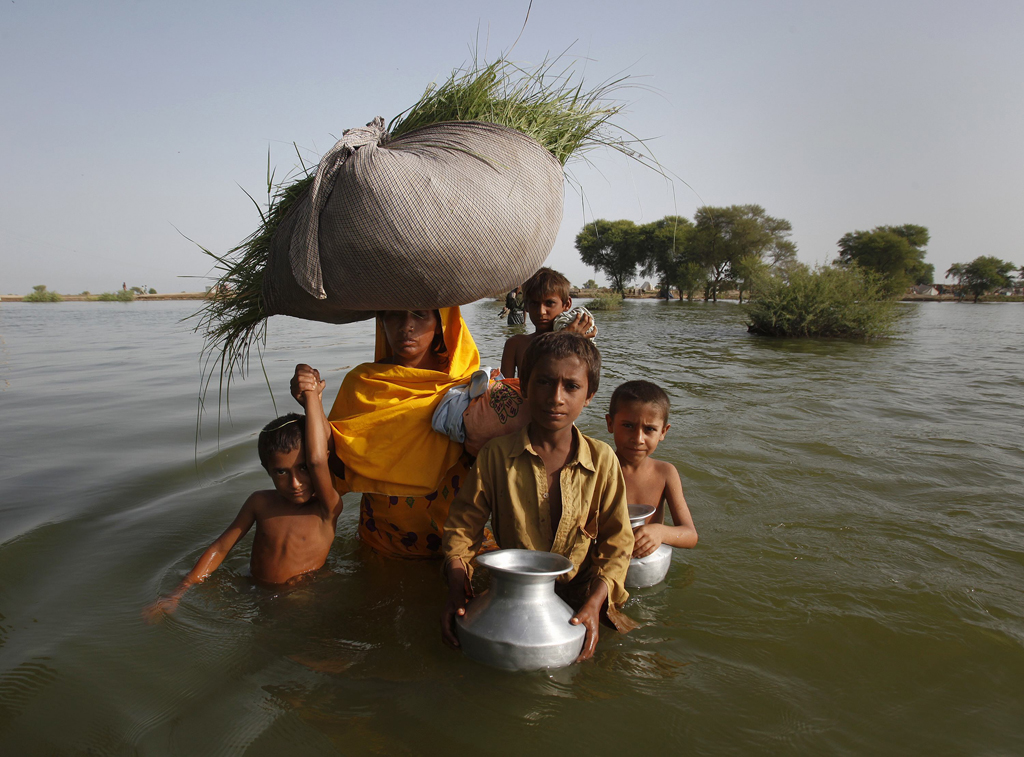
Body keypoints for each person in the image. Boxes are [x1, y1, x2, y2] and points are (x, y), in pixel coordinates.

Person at [441, 332, 635, 662]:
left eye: (571, 386)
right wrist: (458, 590)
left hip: (584, 593)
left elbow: (618, 542)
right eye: (544, 382)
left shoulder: (602, 460)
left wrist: (595, 602)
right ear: (526, 386)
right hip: (514, 594)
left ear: (589, 395)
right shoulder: (496, 457)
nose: (556, 397)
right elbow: (462, 531)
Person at [291, 307, 480, 559]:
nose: (407, 326)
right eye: (394, 315)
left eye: (421, 314)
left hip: (456, 546)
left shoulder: (467, 386)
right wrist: (312, 401)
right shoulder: (363, 383)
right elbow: (337, 463)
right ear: (381, 322)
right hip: (379, 539)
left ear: (441, 323)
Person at [144, 383, 342, 620]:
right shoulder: (259, 503)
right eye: (281, 472)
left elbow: (319, 460)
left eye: (303, 468)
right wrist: (178, 592)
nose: (295, 483)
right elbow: (220, 548)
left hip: (305, 597)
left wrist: (312, 397)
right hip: (253, 592)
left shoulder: (327, 508)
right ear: (266, 470)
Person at [605, 380, 698, 557]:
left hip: (648, 566)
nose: (638, 438)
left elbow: (690, 535)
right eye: (628, 426)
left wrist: (660, 532)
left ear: (663, 432)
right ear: (610, 423)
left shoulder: (665, 473)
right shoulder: (599, 468)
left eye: (649, 429)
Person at [500, 267, 595, 378]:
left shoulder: (580, 341)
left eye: (549, 303)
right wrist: (561, 340)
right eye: (534, 304)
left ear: (567, 304)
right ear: (526, 305)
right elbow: (503, 391)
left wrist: (569, 340)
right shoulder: (515, 344)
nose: (541, 311)